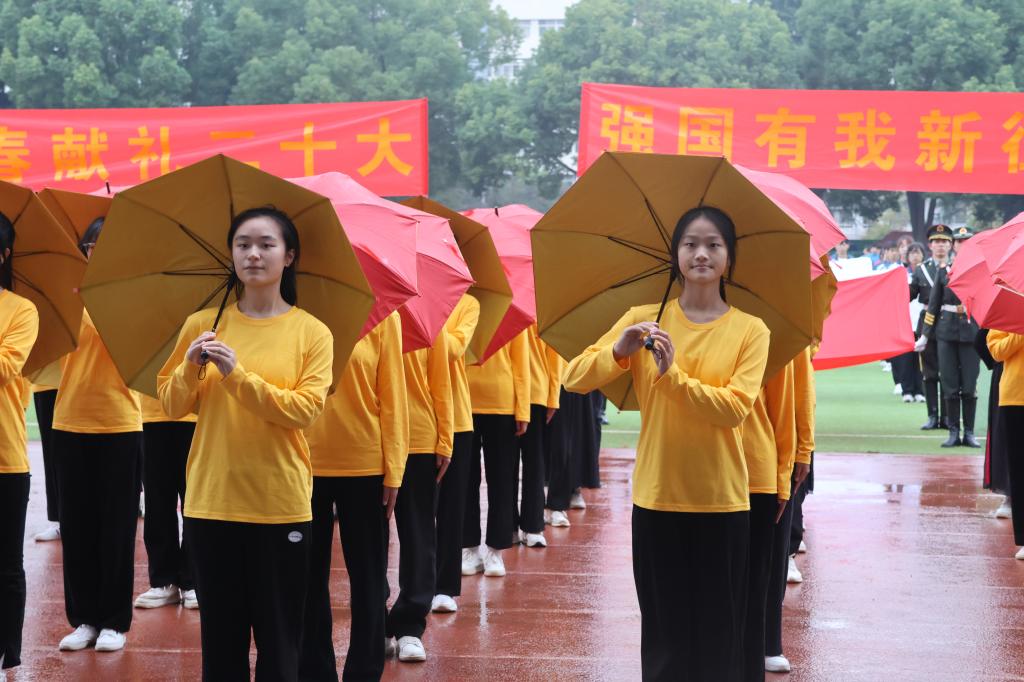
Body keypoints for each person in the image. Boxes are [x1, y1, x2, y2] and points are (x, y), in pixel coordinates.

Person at [564, 206, 770, 681]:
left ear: (729, 257)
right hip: (657, 498)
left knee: (719, 637)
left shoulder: (751, 329)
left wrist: (672, 376)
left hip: (722, 502)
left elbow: (733, 408)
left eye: (714, 244)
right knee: (664, 638)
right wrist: (618, 351)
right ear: (676, 254)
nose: (701, 254)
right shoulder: (644, 322)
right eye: (690, 244)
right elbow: (573, 377)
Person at [158, 207, 333, 681]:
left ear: (289, 256)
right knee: (221, 646)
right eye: (243, 245)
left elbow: (303, 410)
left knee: (281, 644)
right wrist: (189, 365)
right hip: (212, 502)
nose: (253, 254)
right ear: (232, 254)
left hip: (279, 504)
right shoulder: (204, 325)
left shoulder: (312, 332)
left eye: (266, 244)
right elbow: (170, 405)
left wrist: (236, 375)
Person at [53, 218, 143, 654]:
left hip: (119, 422)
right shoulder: (67, 296)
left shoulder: (136, 299)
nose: (98, 253)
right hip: (70, 420)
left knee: (116, 526)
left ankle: (113, 621)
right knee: (77, 525)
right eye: (92, 246)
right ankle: (84, 618)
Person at [300, 311, 406, 682]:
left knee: (368, 579)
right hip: (304, 461)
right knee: (307, 579)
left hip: (364, 465)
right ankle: (315, 672)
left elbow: (393, 393)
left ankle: (364, 671)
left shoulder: (384, 315)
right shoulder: (297, 309)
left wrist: (394, 468)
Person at [386, 326, 453, 662]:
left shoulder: (425, 318)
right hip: (372, 439)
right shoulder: (358, 314)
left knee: (418, 535)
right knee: (368, 541)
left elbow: (441, 382)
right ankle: (375, 622)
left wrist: (445, 439)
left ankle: (410, 625)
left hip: (418, 438)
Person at [0, 213, 40, 678]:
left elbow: (6, 366)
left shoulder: (21, 311)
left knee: (5, 564)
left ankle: (6, 650)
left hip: (4, 458)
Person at [739, 362, 795, 682]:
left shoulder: (772, 338)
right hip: (703, 474)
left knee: (758, 578)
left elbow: (787, 405)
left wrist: (788, 470)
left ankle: (763, 648)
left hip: (757, 473)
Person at [462, 330, 530, 579]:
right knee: (465, 480)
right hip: (463, 401)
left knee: (501, 481)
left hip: (502, 402)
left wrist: (523, 409)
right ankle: (469, 547)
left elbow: (521, 363)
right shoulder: (460, 310)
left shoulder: (511, 312)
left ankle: (495, 550)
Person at [765, 346, 816, 673]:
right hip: (717, 453)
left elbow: (802, 387)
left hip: (768, 453)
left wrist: (804, 449)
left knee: (770, 556)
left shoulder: (787, 328)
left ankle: (768, 641)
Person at [433, 294, 479, 614]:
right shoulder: (405, 299)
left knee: (451, 506)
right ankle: (416, 584)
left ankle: (444, 586)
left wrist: (426, 322)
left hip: (457, 419)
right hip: (417, 418)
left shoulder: (468, 304)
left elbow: (454, 348)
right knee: (417, 511)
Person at [915, 226, 982, 448]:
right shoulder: (944, 271)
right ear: (954, 245)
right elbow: (933, 305)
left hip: (971, 333)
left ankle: (969, 432)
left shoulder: (981, 270)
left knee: (969, 386)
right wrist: (925, 335)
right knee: (950, 384)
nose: (963, 245)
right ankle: (953, 431)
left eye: (967, 241)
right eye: (960, 241)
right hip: (946, 333)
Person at [133, 395, 198, 610]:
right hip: (153, 412)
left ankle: (193, 580)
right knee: (157, 499)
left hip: (195, 413)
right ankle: (163, 580)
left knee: (195, 500)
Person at [513, 324, 561, 548]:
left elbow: (554, 350)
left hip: (535, 392)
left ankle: (533, 525)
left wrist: (553, 396)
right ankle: (509, 526)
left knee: (534, 463)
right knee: (506, 466)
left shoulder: (542, 309)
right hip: (508, 394)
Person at [909, 225, 952, 429]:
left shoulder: (956, 267)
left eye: (944, 241)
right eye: (936, 241)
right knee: (929, 372)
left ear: (950, 245)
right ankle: (932, 416)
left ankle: (947, 417)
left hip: (949, 322)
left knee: (947, 372)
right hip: (926, 323)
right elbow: (910, 293)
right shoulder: (922, 269)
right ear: (930, 245)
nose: (940, 245)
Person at [987, 330, 1023, 559]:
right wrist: (1021, 334)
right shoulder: (1008, 316)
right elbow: (997, 351)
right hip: (1015, 397)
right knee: (1019, 473)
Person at [976, 329, 1010, 518]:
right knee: (1008, 438)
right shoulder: (1007, 313)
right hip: (1009, 380)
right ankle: (1011, 495)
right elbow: (984, 342)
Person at [891, 243, 926, 403]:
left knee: (921, 357)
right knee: (905, 358)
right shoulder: (900, 272)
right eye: (912, 253)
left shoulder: (927, 271)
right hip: (905, 318)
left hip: (923, 319)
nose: (915, 256)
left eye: (918, 252)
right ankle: (907, 390)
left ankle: (920, 390)